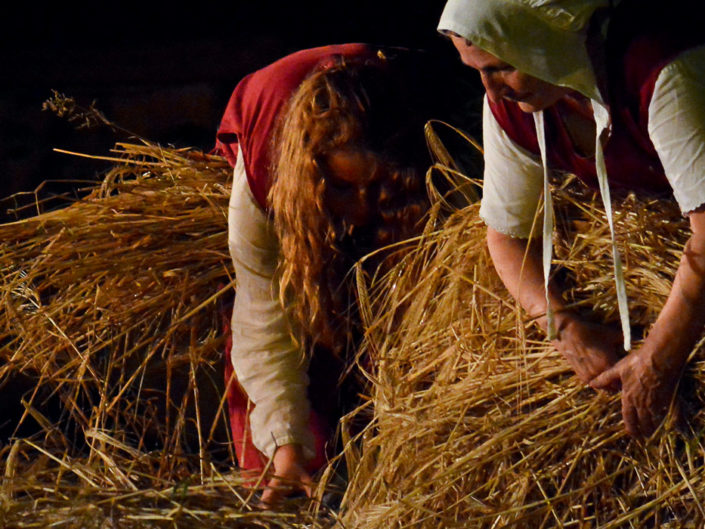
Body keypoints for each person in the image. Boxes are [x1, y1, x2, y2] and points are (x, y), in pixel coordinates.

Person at [214, 44, 471, 505]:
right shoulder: (263, 180)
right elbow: (263, 316)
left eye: (373, 186)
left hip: (399, 159)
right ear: (312, 177)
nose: (359, 208)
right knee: (301, 323)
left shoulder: (429, 144)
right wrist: (287, 449)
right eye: (341, 188)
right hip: (268, 128)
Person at [437, 0, 705, 438]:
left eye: (501, 67)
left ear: (545, 41)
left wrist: (659, 359)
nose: (491, 90)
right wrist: (562, 327)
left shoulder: (660, 74)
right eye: (478, 72)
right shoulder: (515, 109)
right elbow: (505, 236)